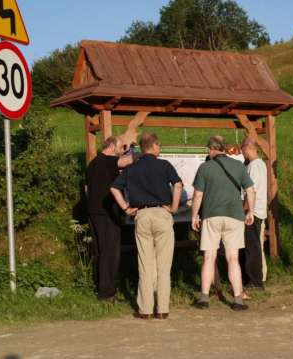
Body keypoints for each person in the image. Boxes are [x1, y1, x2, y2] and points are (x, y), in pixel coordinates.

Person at [111, 133, 183, 320]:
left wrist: (126, 207)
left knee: (145, 263)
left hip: (141, 215)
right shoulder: (164, 165)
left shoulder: (132, 168)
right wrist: (174, 208)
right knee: (163, 265)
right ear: (154, 146)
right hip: (162, 213)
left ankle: (145, 309)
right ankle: (163, 308)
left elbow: (114, 188)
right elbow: (178, 185)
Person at [191, 135, 255, 311]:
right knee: (233, 258)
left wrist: (194, 215)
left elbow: (197, 195)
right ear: (224, 148)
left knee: (209, 257)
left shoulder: (205, 167)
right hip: (235, 216)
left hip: (211, 216)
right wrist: (250, 211)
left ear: (211, 149)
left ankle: (204, 298)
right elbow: (250, 190)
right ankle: (238, 300)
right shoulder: (238, 166)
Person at [86, 136, 132, 302]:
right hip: (107, 213)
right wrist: (134, 151)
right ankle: (107, 293)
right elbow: (128, 161)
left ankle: (100, 288)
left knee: (99, 252)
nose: (121, 151)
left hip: (94, 213)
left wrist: (124, 151)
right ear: (112, 147)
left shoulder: (93, 164)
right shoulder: (108, 161)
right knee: (110, 253)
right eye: (120, 147)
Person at [240, 138, 268, 290]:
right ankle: (254, 279)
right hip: (255, 210)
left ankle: (255, 281)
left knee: (253, 247)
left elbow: (251, 191)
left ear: (247, 148)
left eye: (242, 150)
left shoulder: (255, 165)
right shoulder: (258, 164)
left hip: (253, 212)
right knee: (253, 247)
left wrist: (246, 210)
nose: (242, 153)